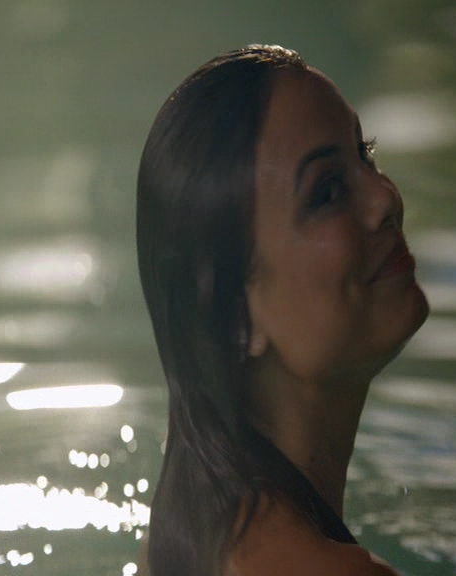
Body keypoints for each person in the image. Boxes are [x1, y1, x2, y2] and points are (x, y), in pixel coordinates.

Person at [135, 45, 429, 576]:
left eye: (364, 154)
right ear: (234, 319)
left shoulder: (183, 530)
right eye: (327, 191)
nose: (385, 197)